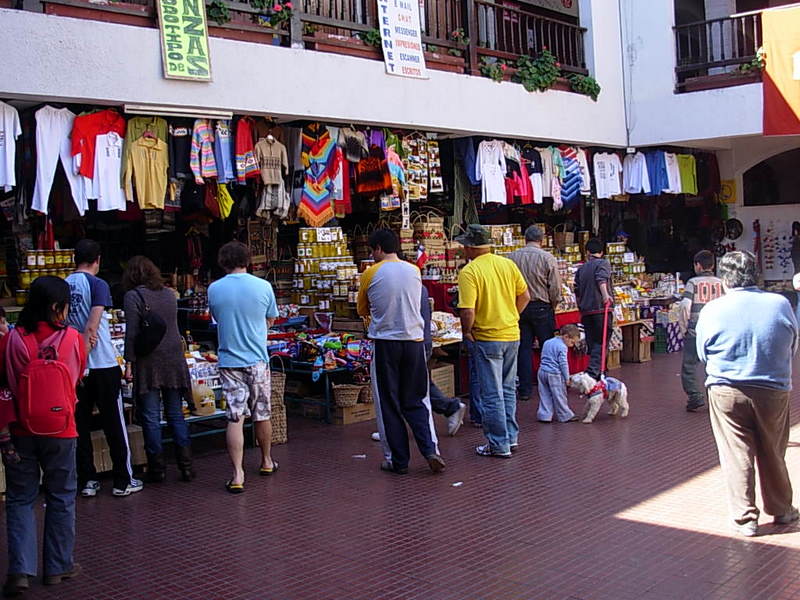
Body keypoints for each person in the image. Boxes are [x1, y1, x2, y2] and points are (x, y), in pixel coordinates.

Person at [696, 251, 799, 537]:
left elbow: (703, 353)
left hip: (726, 388)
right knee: (773, 449)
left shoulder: (712, 309)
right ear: (756, 274)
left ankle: (745, 518)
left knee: (736, 453)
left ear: (724, 279)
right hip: (773, 388)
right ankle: (782, 508)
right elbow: (792, 345)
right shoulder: (780, 304)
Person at [1, 277, 87, 596]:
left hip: (20, 430)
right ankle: (58, 566)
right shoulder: (73, 339)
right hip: (62, 428)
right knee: (61, 496)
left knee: (21, 498)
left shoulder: (12, 340)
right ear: (56, 307)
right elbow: (78, 377)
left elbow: (6, 384)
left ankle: (20, 571)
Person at [357, 229, 444, 475]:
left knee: (389, 403)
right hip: (414, 341)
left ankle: (398, 460)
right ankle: (430, 449)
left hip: (386, 342)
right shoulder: (414, 270)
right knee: (417, 399)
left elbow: (362, 309)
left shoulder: (371, 272)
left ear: (378, 249)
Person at [67, 239, 141, 498]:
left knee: (80, 424)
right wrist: (86, 353)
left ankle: (88, 480)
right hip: (101, 363)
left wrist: (76, 363)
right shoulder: (98, 285)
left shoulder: (64, 284)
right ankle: (123, 480)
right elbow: (92, 325)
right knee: (114, 423)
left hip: (74, 366)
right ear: (97, 259)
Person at [208, 241, 279, 494]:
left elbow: (217, 318)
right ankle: (266, 460)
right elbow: (271, 318)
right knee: (262, 412)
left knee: (235, 416)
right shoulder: (264, 286)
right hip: (257, 359)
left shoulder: (214, 289)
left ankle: (238, 473)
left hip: (229, 361)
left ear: (223, 262)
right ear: (247, 260)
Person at [456, 224, 530, 458]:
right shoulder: (507, 264)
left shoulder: (470, 272)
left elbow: (467, 310)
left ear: (470, 247)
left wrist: (467, 331)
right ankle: (511, 437)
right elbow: (525, 295)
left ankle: (498, 443)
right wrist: (512, 315)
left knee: (491, 393)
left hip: (487, 337)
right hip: (511, 334)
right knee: (508, 389)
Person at [122, 256, 194, 483]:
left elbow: (132, 333)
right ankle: (186, 466)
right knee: (175, 413)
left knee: (151, 416)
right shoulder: (169, 294)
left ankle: (157, 468)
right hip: (174, 358)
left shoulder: (133, 296)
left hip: (149, 361)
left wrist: (129, 362)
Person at [508, 225, 561, 402]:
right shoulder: (547, 258)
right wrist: (554, 304)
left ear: (525, 238)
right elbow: (555, 287)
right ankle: (551, 386)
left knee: (523, 348)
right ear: (542, 240)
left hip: (520, 306)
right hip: (542, 306)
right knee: (548, 347)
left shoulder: (512, 257)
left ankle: (525, 389)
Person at [679, 250, 724, 412]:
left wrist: (683, 328)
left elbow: (685, 307)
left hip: (696, 332)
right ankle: (715, 397)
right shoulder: (721, 283)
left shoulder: (693, 283)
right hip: (718, 331)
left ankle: (695, 396)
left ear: (698, 265)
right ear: (712, 265)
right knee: (715, 365)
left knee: (689, 366)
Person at [574, 238, 612, 380]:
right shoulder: (603, 263)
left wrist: (580, 305)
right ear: (601, 252)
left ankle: (600, 373)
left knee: (592, 342)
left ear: (587, 252)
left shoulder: (581, 269)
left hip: (586, 311)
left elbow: (577, 290)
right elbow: (601, 279)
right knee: (601, 342)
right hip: (600, 309)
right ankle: (593, 373)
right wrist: (605, 296)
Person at [536, 324, 580, 423]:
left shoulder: (548, 342)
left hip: (542, 371)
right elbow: (563, 363)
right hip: (554, 374)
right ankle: (565, 415)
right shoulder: (562, 347)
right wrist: (567, 378)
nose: (572, 345)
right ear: (566, 337)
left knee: (544, 394)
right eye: (572, 342)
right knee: (559, 395)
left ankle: (544, 415)